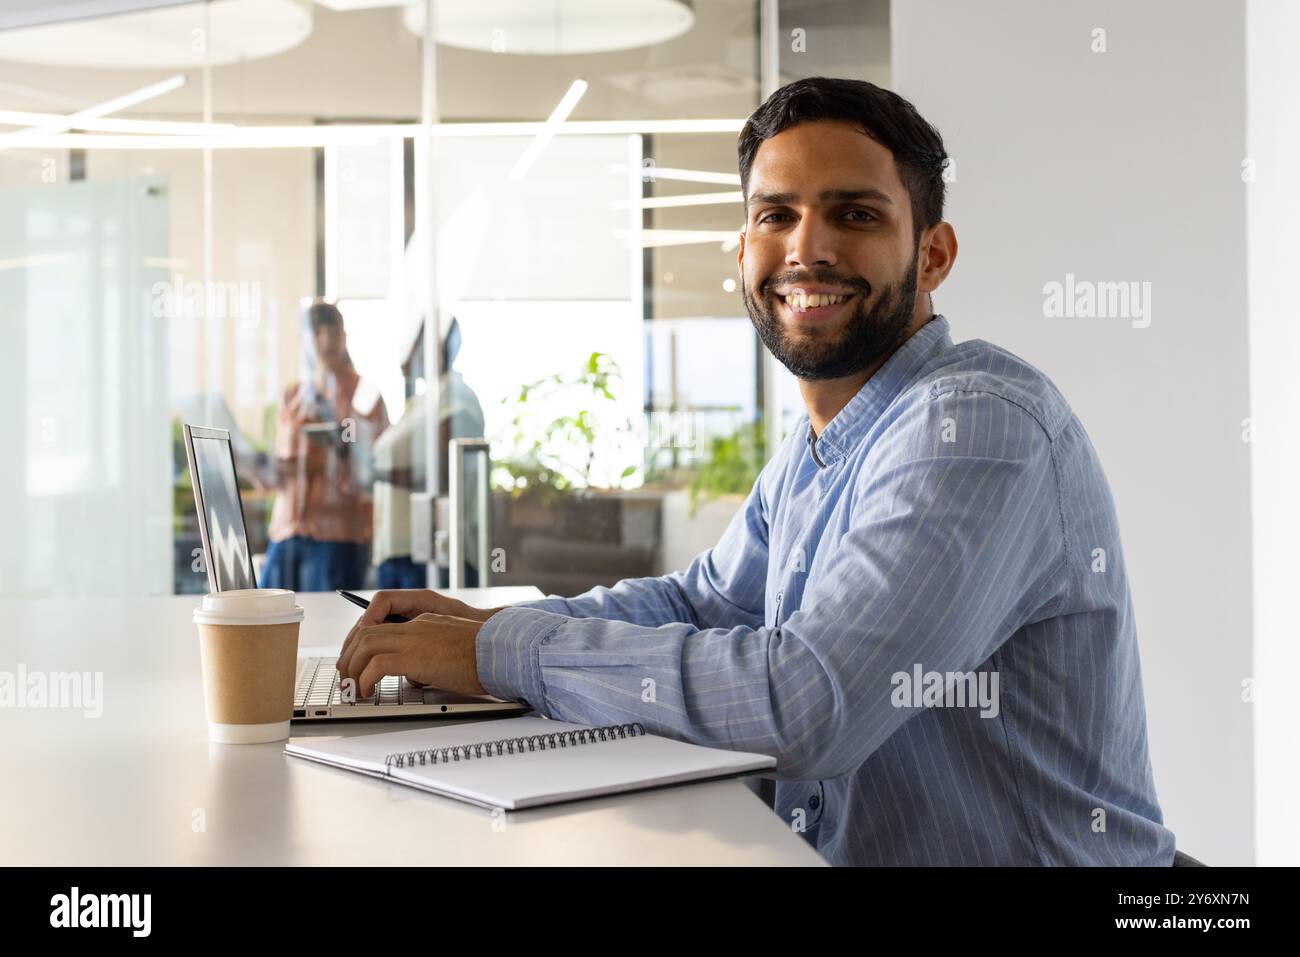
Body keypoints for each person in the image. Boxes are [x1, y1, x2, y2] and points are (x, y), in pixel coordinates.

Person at [335, 77, 1174, 866]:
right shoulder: (827, 438)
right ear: (743, 251)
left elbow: (806, 705)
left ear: (934, 254)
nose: (808, 248)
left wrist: (506, 652)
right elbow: (701, 602)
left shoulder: (975, 428)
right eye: (777, 215)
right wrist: (481, 625)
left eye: (854, 214)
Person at [262, 300, 389, 592]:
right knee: (263, 619)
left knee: (329, 629)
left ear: (344, 336)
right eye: (317, 332)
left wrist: (342, 458)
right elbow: (281, 468)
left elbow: (377, 469)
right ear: (305, 340)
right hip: (289, 531)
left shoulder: (365, 396)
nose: (326, 340)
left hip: (339, 535)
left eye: (334, 332)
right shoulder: (292, 398)